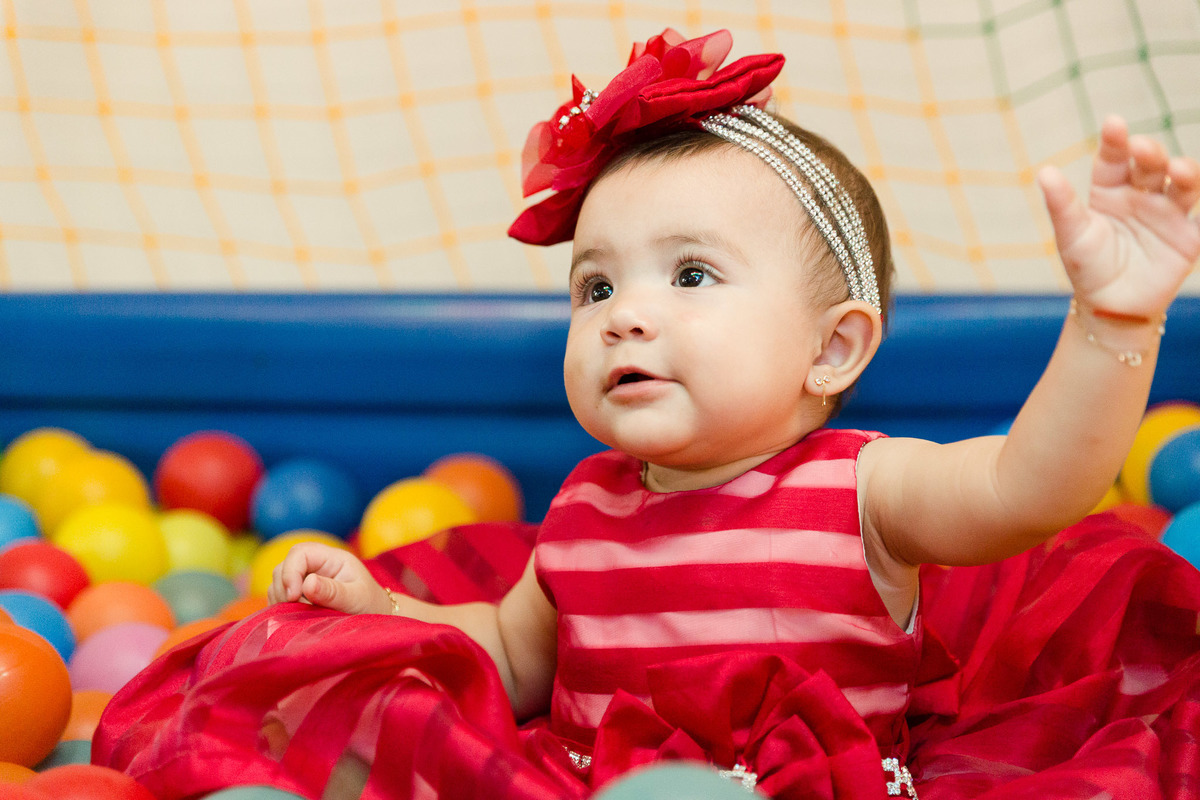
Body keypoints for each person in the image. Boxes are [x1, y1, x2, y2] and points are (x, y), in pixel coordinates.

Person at [95, 29, 1200, 800]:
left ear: (834, 348)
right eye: (596, 285)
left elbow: (1032, 487)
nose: (626, 317)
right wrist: (381, 604)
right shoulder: (583, 510)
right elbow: (514, 658)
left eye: (691, 276)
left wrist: (1112, 314)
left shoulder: (864, 489)